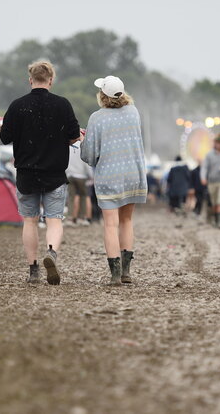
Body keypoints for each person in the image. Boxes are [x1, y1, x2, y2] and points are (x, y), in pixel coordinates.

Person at [0, 60, 82, 285]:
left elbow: (5, 138)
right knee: (54, 220)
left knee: (30, 221)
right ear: (51, 80)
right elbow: (74, 135)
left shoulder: (17, 105)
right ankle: (51, 252)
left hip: (26, 174)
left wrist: (4, 127)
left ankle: (33, 269)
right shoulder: (63, 104)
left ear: (30, 79)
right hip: (55, 173)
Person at [81, 75, 147, 286]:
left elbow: (89, 156)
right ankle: (127, 271)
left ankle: (115, 275)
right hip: (133, 174)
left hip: (109, 176)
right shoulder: (134, 113)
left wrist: (84, 140)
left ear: (102, 95)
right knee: (127, 221)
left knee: (111, 224)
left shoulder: (96, 118)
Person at [66, 144, 93, 226]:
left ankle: (70, 218)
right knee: (83, 196)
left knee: (71, 197)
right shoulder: (83, 146)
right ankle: (81, 218)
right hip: (81, 175)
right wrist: (91, 175)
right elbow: (86, 162)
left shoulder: (69, 146)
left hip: (70, 175)